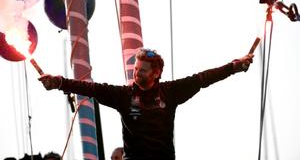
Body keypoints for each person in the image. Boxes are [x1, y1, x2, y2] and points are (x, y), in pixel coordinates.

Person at [39, 48, 254, 160]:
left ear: (156, 73)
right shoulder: (123, 95)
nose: (136, 73)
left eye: (141, 70)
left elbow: (203, 78)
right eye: (135, 69)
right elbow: (91, 89)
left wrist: (234, 66)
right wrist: (58, 82)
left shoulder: (171, 92)